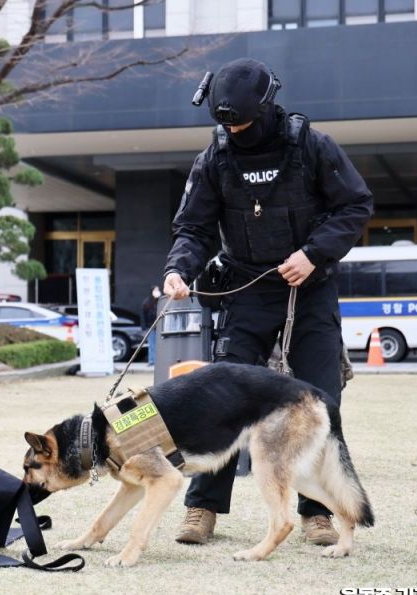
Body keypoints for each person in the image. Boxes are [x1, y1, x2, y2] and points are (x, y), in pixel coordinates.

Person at [162, 58, 373, 547]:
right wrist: (178, 269)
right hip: (246, 288)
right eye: (227, 125)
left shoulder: (312, 146)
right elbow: (193, 227)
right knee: (219, 395)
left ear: (266, 106)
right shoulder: (214, 158)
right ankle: (202, 507)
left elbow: (354, 205)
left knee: (320, 399)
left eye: (242, 124)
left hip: (310, 286)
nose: (235, 131)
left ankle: (317, 512)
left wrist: (313, 253)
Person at [141, 286, 162, 365]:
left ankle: (158, 361)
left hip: (159, 326)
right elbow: (143, 315)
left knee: (159, 345)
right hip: (150, 326)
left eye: (158, 290)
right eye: (155, 290)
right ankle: (152, 361)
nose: (157, 292)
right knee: (152, 344)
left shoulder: (161, 301)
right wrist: (144, 326)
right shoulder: (147, 302)